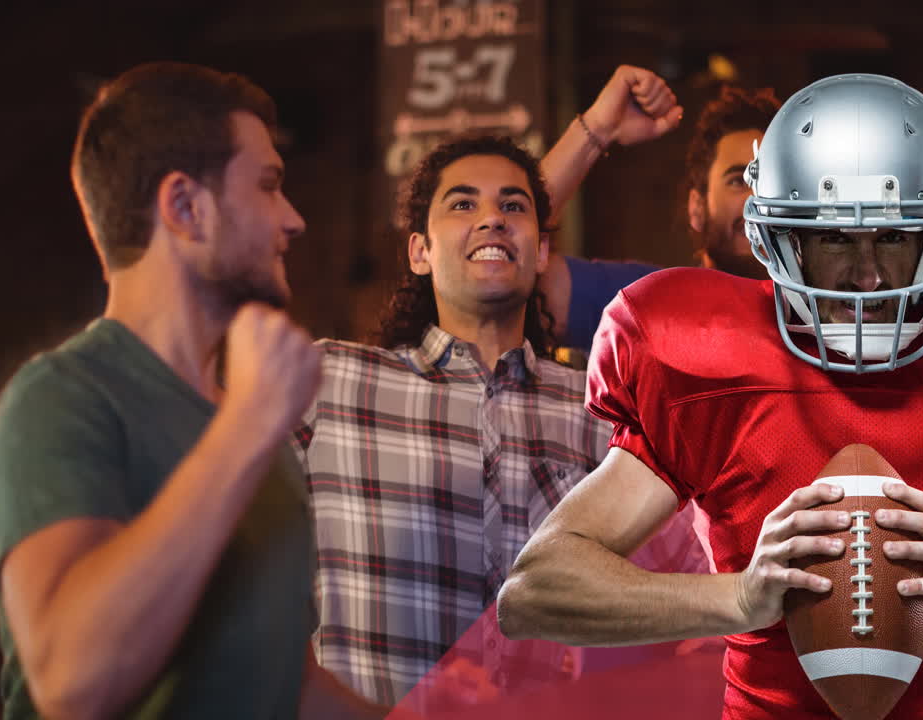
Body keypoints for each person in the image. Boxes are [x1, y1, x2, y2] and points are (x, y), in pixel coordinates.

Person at [497, 73, 923, 719]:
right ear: (777, 242)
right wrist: (738, 597)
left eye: (893, 236)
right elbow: (537, 591)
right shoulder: (705, 358)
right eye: (833, 236)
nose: (866, 276)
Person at [0, 62, 379, 719]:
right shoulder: (59, 399)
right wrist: (247, 426)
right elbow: (74, 684)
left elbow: (287, 687)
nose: (295, 219)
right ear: (186, 207)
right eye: (269, 186)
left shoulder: (254, 429)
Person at [295, 134, 709, 710]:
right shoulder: (328, 382)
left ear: (540, 252)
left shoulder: (603, 409)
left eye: (513, 206)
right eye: (463, 204)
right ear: (419, 251)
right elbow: (234, 564)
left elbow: (698, 593)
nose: (492, 219)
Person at [537, 73, 780, 350]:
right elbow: (517, 264)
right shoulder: (643, 304)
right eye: (739, 180)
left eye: (772, 181)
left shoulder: (826, 314)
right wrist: (598, 128)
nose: (757, 199)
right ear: (696, 208)